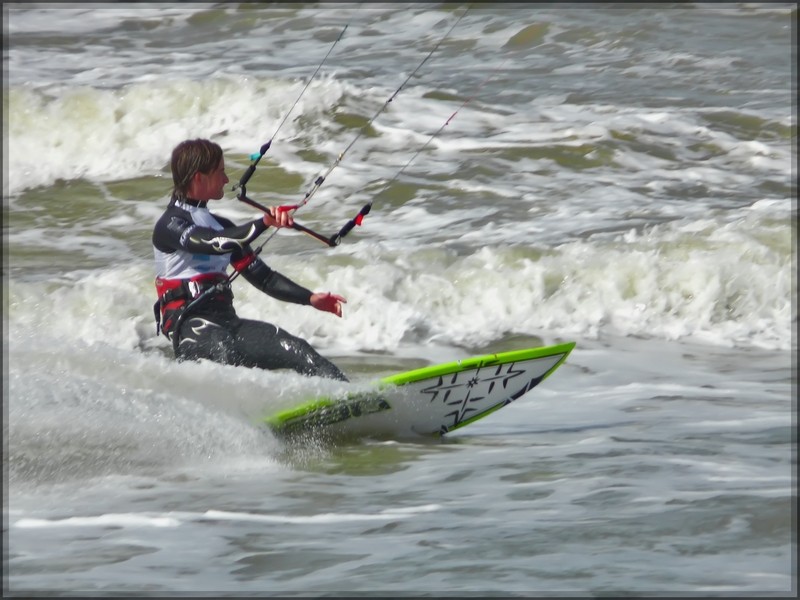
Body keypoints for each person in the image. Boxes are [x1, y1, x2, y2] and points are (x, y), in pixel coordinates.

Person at [152, 138, 348, 381]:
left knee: (297, 348)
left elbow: (264, 278)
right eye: (220, 172)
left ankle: (351, 398)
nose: (226, 179)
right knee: (223, 351)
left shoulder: (221, 225)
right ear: (198, 177)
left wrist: (310, 298)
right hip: (191, 327)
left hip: (227, 323)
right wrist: (265, 222)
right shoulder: (170, 225)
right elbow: (215, 243)